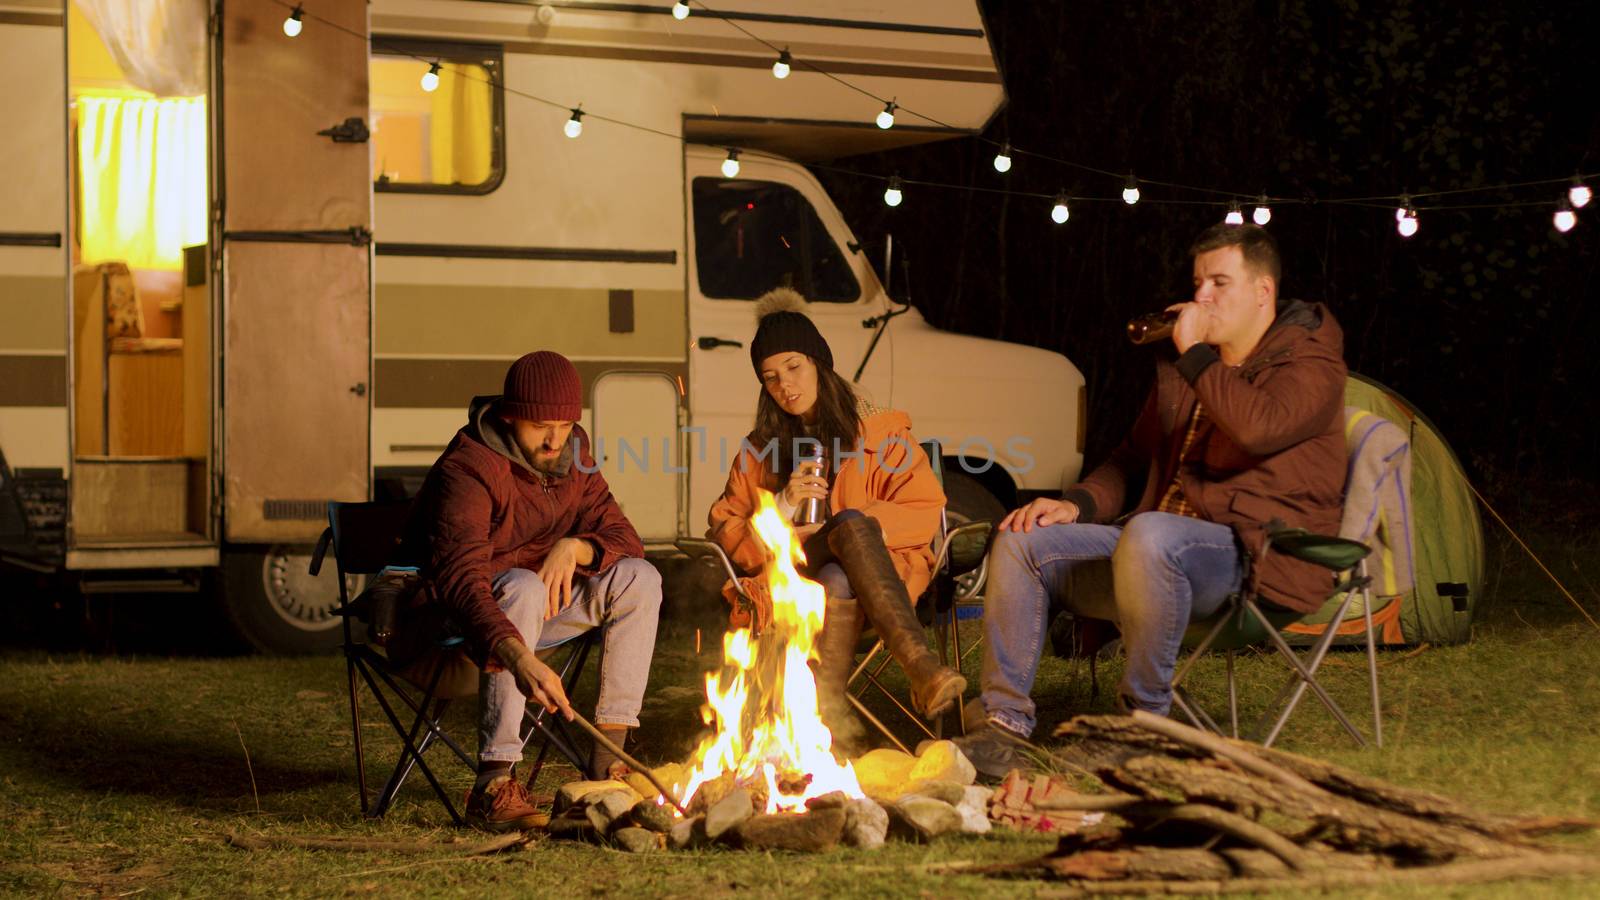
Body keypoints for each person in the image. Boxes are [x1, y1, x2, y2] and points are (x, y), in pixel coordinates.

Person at [955, 223, 1348, 779]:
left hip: (1251, 557)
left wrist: (1194, 357)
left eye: (1219, 283)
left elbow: (1258, 429)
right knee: (1023, 538)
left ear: (1263, 292)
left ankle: (1143, 730)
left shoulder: (1310, 363)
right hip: (1152, 553)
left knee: (1151, 533)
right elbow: (1128, 458)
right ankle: (1003, 728)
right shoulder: (1191, 371)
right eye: (1197, 282)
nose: (1201, 297)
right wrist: (1079, 504)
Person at [391, 350, 662, 831]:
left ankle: (608, 761)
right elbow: (461, 581)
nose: (555, 438)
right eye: (541, 425)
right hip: (454, 625)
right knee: (522, 585)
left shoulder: (571, 451)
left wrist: (575, 547)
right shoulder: (469, 467)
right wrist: (517, 657)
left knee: (641, 578)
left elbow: (625, 538)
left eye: (564, 423)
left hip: (534, 612)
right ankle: (493, 783)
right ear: (511, 414)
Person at [706, 288, 965, 749]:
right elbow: (727, 529)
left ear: (818, 363)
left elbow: (925, 509)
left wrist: (861, 527)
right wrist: (781, 508)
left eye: (794, 367)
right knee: (838, 543)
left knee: (841, 559)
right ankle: (921, 668)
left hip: (869, 582)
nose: (785, 386)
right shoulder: (759, 448)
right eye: (770, 377)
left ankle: (820, 726)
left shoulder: (881, 434)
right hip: (790, 575)